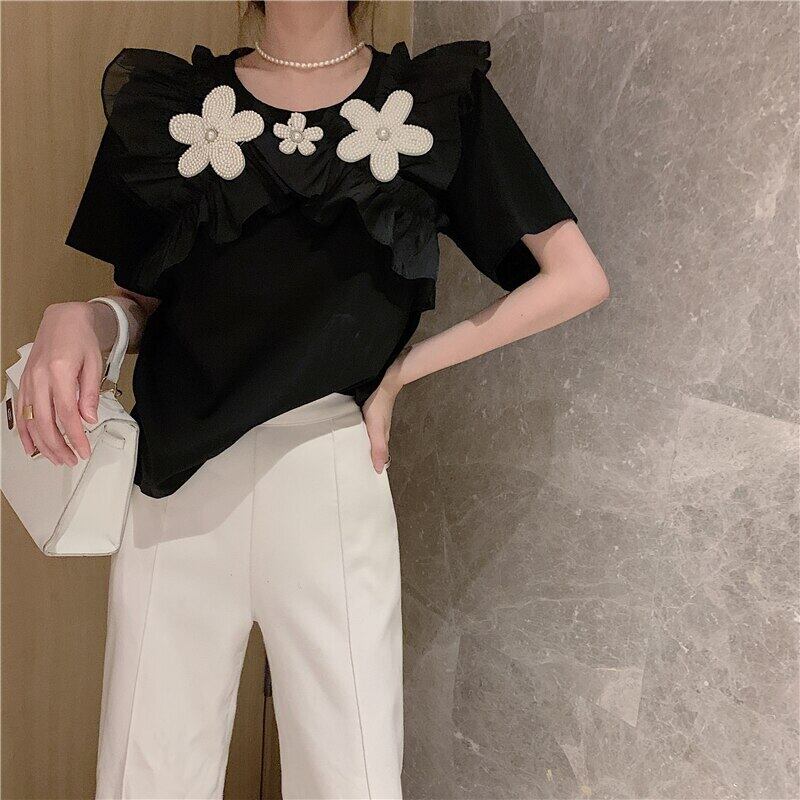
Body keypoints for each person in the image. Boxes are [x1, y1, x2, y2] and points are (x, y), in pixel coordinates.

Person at [15, 1, 609, 797]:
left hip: (329, 469)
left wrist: (400, 372)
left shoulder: (428, 106)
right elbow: (139, 303)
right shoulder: (172, 109)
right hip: (175, 483)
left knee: (349, 775)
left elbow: (575, 277)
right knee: (146, 773)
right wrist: (83, 317)